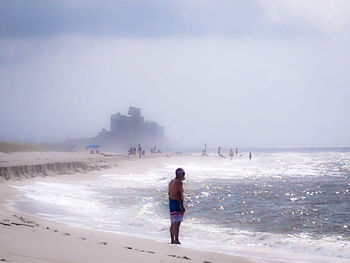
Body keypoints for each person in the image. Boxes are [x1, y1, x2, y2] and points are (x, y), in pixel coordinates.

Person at [168, 168, 186, 244]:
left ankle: (172, 239)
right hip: (176, 202)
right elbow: (179, 195)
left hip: (171, 201)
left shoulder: (172, 181)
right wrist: (182, 206)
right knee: (177, 222)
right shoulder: (179, 182)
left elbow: (169, 193)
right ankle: (176, 240)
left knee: (173, 222)